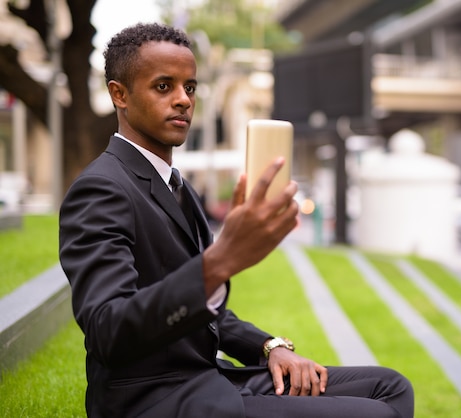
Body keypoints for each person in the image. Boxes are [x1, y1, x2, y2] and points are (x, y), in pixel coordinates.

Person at [59, 22, 414, 418]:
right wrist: (221, 260)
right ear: (118, 94)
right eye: (164, 86)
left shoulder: (178, 186)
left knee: (391, 388)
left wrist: (269, 347)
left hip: (210, 379)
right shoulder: (101, 189)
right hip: (156, 401)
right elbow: (109, 330)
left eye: (189, 87)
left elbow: (204, 308)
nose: (183, 100)